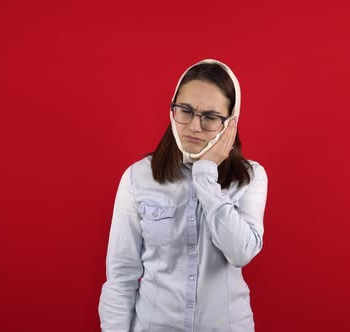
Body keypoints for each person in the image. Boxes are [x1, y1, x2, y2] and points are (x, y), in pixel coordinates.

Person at [98, 59, 268, 332]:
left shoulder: (251, 177)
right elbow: (121, 276)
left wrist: (205, 175)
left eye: (211, 117)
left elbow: (240, 253)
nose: (194, 126)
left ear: (230, 122)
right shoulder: (138, 177)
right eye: (185, 111)